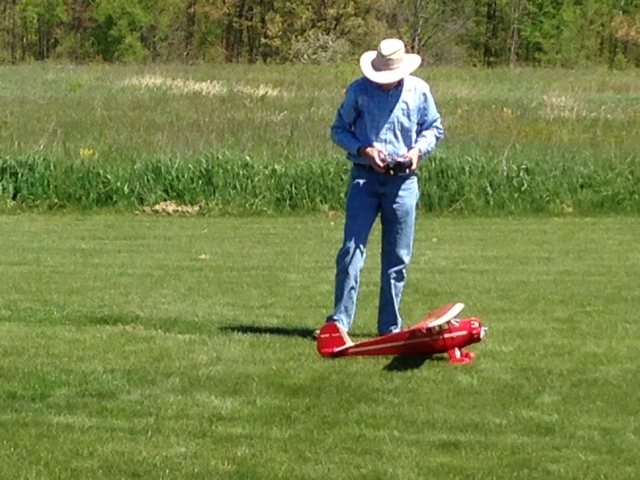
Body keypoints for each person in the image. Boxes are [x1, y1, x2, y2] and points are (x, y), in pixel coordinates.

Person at [324, 38, 444, 336]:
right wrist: (365, 150)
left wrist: (417, 151)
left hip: (404, 183)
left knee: (397, 258)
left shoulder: (420, 91)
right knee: (351, 251)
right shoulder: (358, 91)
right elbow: (338, 130)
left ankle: (389, 329)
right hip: (364, 179)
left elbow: (434, 128)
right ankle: (339, 323)